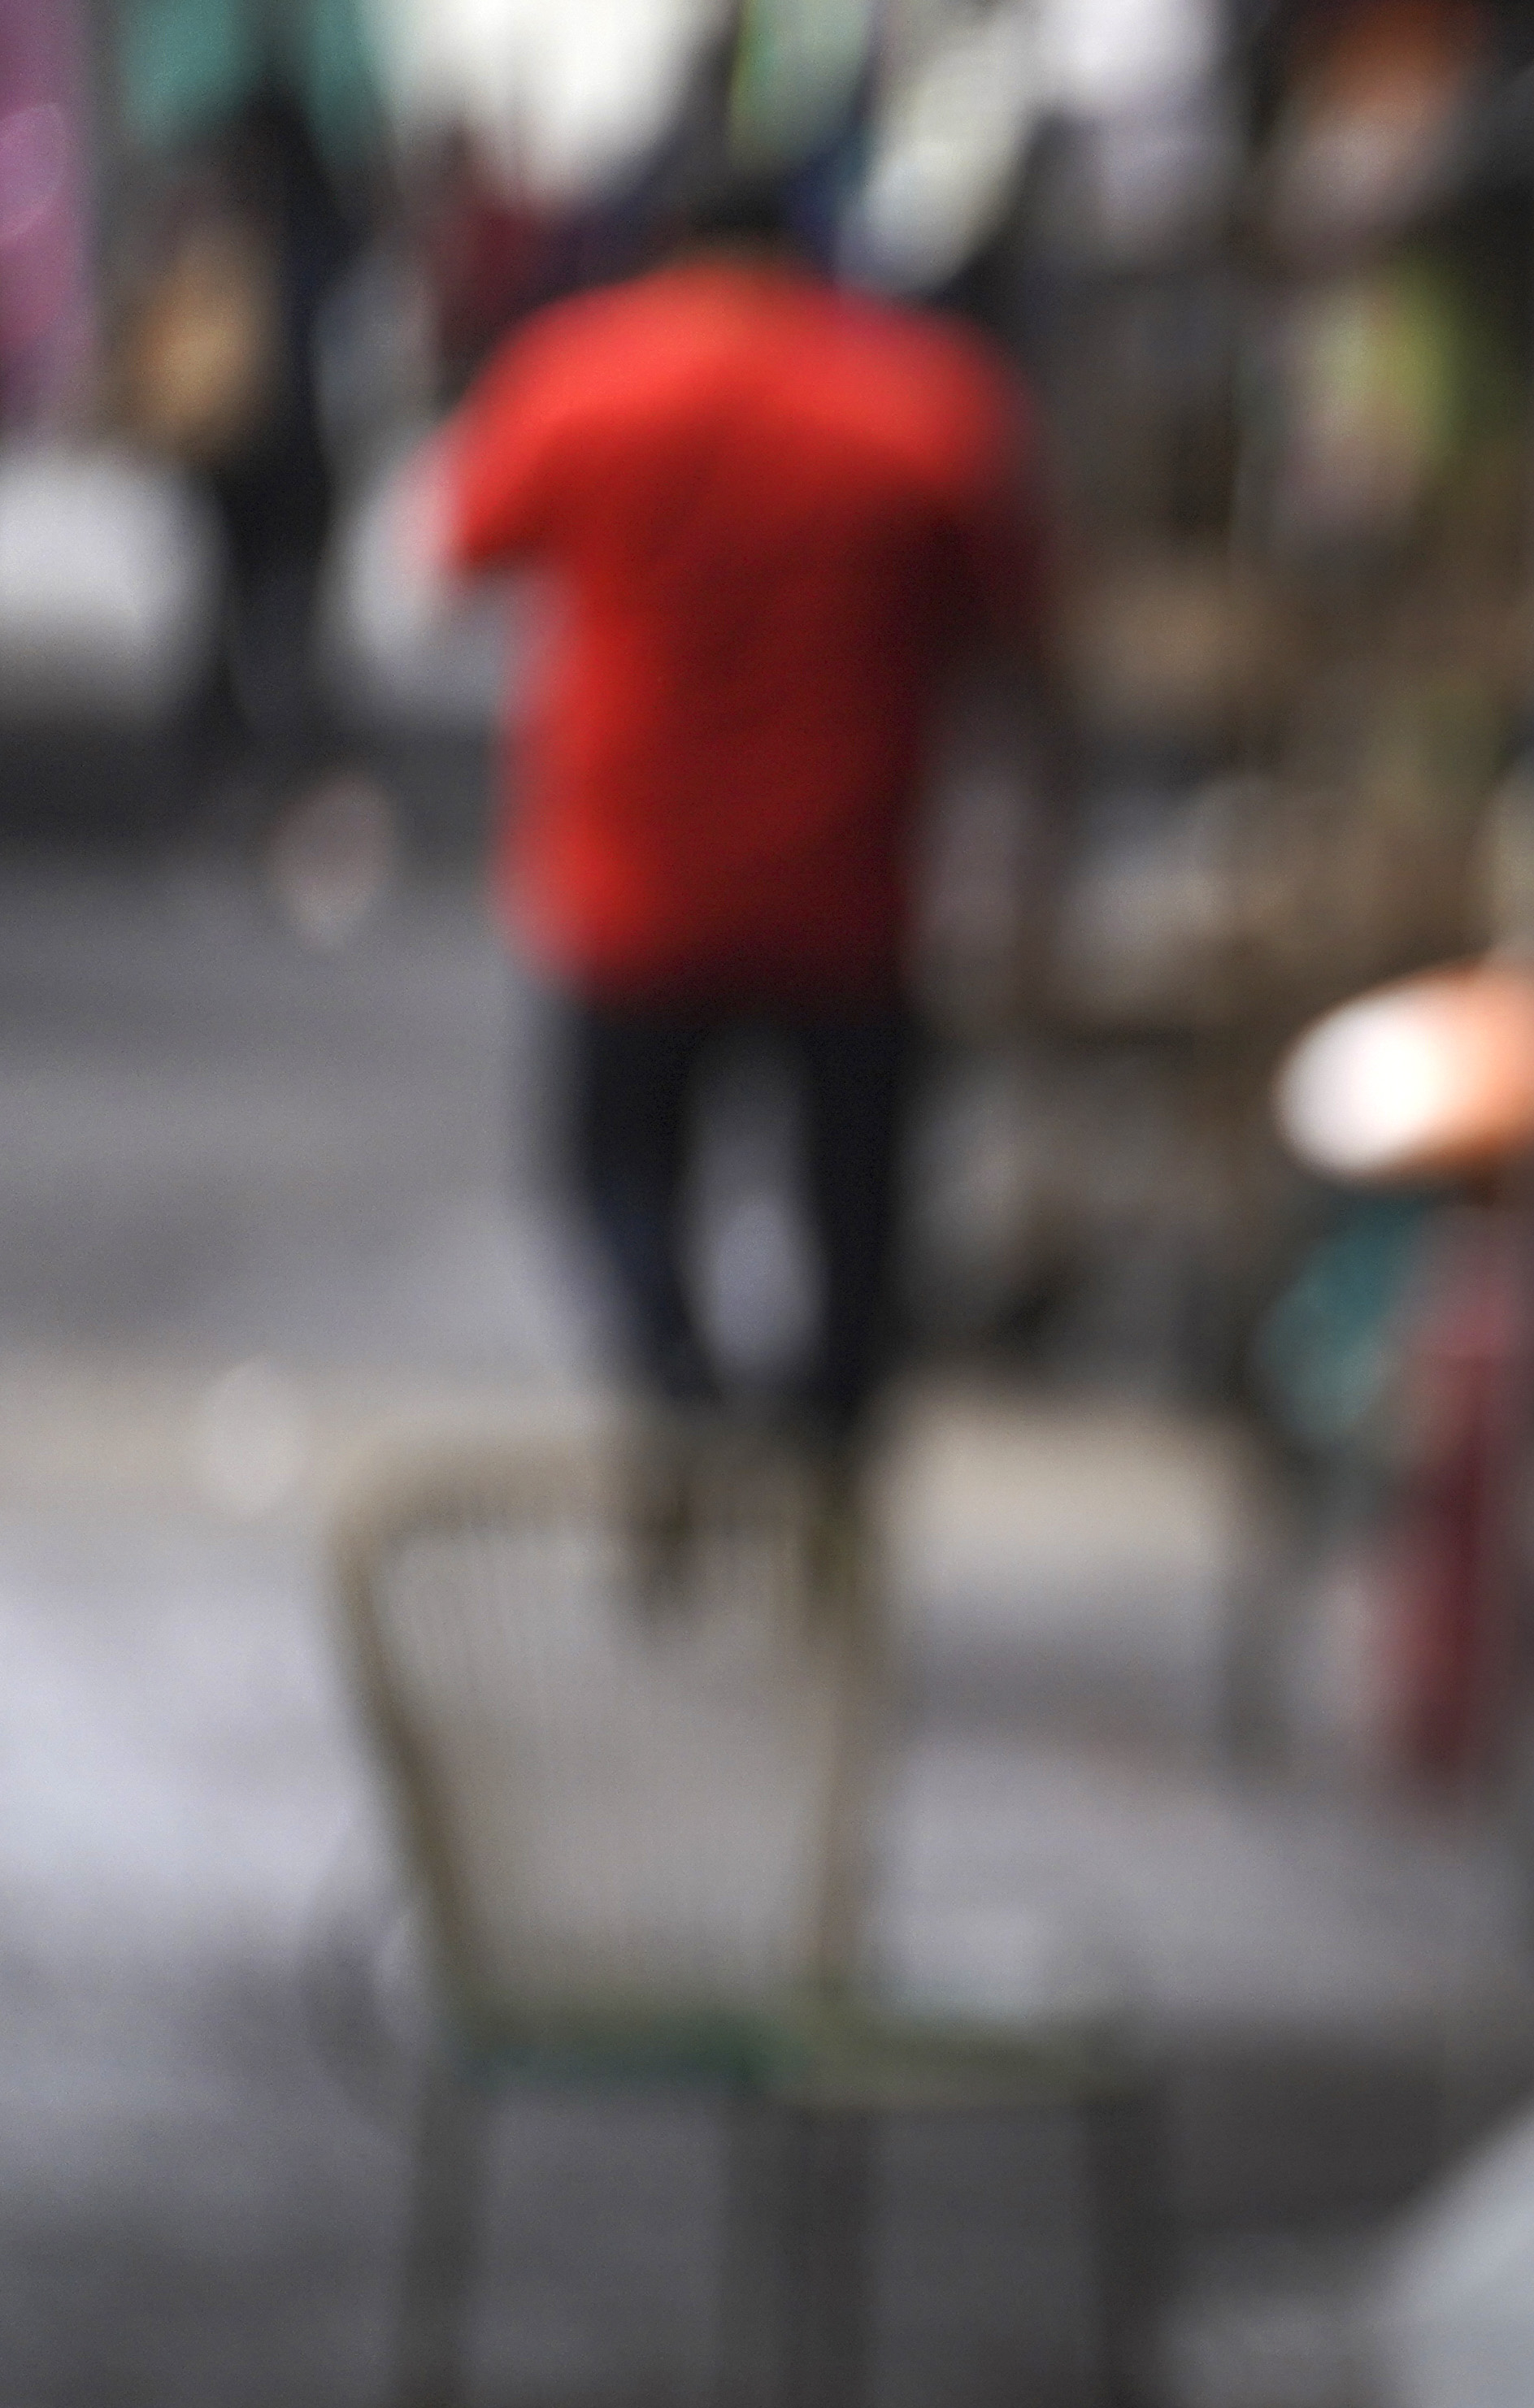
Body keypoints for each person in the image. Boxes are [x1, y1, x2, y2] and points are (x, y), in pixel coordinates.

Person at [442, 164, 1041, 1457]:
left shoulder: (578, 377)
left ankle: (681, 1391)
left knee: (619, 1179)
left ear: (670, 247)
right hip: (845, 887)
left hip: (631, 881)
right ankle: (821, 1460)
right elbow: (1017, 618)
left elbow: (466, 547)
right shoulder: (922, 404)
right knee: (855, 1213)